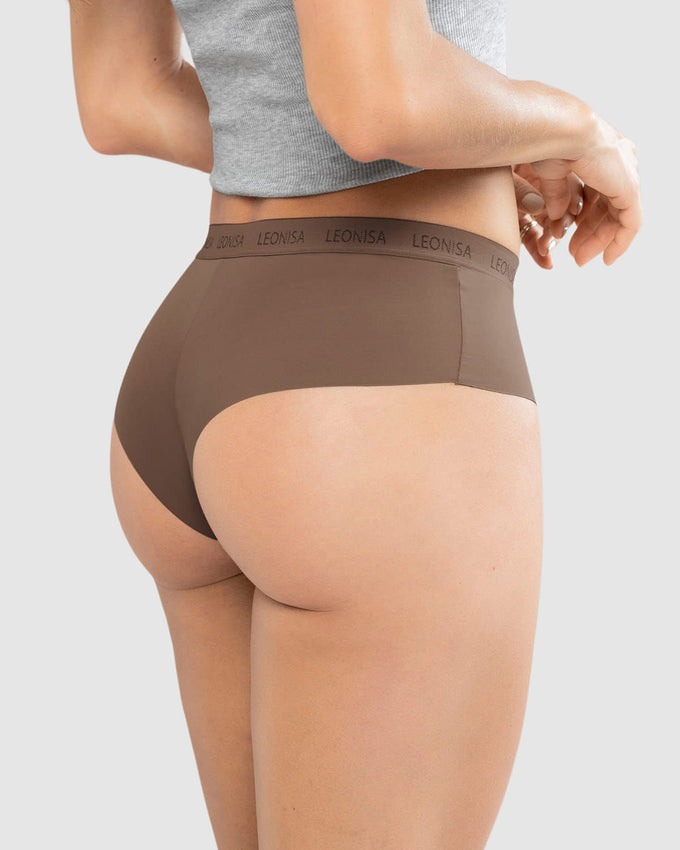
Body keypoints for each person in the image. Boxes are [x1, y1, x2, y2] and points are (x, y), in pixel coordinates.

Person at [68, 1, 641, 848]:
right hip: (372, 373)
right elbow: (382, 101)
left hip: (198, 351)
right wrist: (580, 129)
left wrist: (471, 141)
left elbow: (123, 95)